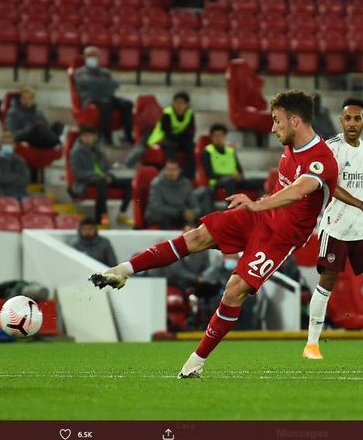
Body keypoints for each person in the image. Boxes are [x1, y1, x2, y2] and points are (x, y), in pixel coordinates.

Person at [90, 90, 338, 378]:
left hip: (282, 235)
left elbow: (299, 191)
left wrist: (257, 202)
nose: (272, 128)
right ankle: (123, 270)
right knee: (197, 236)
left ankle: (195, 362)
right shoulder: (292, 147)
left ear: (295, 121)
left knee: (234, 290)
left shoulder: (321, 158)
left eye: (276, 121)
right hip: (261, 215)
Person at [305, 98, 363, 359]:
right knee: (327, 280)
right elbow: (330, 183)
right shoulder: (332, 148)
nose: (352, 123)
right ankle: (312, 344)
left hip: (361, 228)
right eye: (348, 118)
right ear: (341, 121)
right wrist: (360, 203)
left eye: (357, 118)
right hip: (336, 226)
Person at [69, 126, 134, 227]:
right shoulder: (76, 151)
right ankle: (101, 217)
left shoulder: (99, 149)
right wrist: (99, 176)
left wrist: (110, 175)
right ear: (81, 137)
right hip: (86, 180)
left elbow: (106, 167)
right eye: (85, 136)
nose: (88, 138)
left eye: (90, 136)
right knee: (101, 182)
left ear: (95, 137)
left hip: (103, 177)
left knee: (132, 182)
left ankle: (122, 212)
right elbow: (78, 173)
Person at [73, 46, 133, 145]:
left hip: (108, 96)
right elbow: (86, 83)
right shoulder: (79, 72)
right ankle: (105, 136)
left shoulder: (105, 71)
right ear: (84, 57)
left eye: (94, 56)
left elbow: (114, 84)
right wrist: (103, 83)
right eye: (89, 56)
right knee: (106, 103)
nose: (92, 58)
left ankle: (128, 136)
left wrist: (97, 84)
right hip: (91, 98)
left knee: (127, 103)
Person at [201, 123, 265, 197]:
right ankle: (231, 207)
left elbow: (239, 169)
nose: (218, 138)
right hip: (218, 181)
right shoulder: (208, 151)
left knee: (262, 181)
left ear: (225, 136)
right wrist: (230, 176)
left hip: (234, 180)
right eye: (215, 136)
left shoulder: (230, 151)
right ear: (211, 137)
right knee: (230, 181)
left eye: (221, 135)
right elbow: (209, 174)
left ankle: (262, 205)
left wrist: (239, 176)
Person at [147, 91, 196, 180]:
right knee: (170, 145)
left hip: (178, 139)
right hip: (162, 139)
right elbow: (167, 133)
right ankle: (170, 171)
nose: (179, 106)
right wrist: (181, 139)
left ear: (187, 104)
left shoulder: (190, 114)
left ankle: (190, 173)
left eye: (181, 103)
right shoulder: (167, 113)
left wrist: (183, 139)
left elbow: (190, 132)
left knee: (191, 145)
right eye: (176, 103)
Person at [145, 159, 200, 230]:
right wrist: (181, 212)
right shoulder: (157, 184)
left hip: (180, 216)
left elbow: (195, 205)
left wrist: (193, 213)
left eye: (174, 169)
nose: (170, 172)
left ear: (179, 170)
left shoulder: (186, 184)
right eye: (168, 169)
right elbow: (157, 208)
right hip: (160, 217)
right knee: (164, 217)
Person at [0, 132, 30, 199]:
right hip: (3, 194)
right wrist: (16, 177)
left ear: (14, 145)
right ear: (0, 145)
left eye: (9, 143)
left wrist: (6, 177)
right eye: (5, 143)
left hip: (21, 193)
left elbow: (25, 180)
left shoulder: (20, 160)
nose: (7, 145)